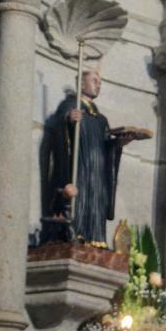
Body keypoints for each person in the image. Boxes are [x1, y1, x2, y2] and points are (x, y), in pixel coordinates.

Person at [40, 70, 131, 246]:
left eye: (100, 82)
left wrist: (118, 144)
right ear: (81, 84)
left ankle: (96, 239)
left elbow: (106, 148)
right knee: (78, 204)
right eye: (94, 81)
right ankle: (76, 235)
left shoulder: (101, 120)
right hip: (80, 170)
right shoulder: (70, 109)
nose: (99, 85)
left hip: (97, 177)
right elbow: (59, 136)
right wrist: (68, 119)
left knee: (96, 203)